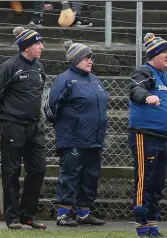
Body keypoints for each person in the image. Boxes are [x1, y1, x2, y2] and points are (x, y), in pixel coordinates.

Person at [0, 27, 47, 230]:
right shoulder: (9, 67)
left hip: (34, 127)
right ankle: (12, 217)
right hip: (13, 127)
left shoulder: (39, 68)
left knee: (38, 169)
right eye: (38, 43)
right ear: (27, 46)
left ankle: (27, 214)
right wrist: (5, 120)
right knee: (11, 171)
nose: (42, 47)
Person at [44, 40, 108, 227]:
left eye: (91, 58)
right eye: (87, 58)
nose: (90, 61)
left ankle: (84, 212)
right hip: (73, 138)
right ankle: (63, 213)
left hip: (94, 139)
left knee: (90, 175)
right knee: (70, 175)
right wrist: (68, 127)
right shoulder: (65, 80)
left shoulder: (95, 80)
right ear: (76, 59)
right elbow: (50, 108)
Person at [128, 33, 167, 238]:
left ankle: (152, 223)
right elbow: (135, 90)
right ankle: (140, 224)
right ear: (153, 55)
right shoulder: (145, 72)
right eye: (164, 52)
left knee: (158, 183)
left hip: (162, 137)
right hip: (144, 136)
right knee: (145, 180)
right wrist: (147, 97)